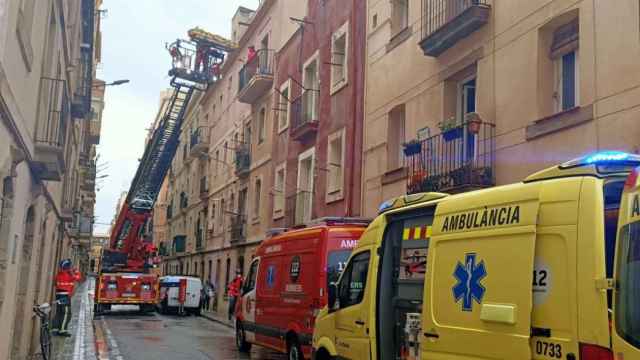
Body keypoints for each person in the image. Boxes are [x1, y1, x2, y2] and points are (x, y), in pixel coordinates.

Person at [51, 259, 81, 337]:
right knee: (66, 313)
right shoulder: (69, 275)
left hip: (58, 294)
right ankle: (62, 330)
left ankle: (56, 329)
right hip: (65, 296)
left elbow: (55, 283)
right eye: (70, 266)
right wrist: (76, 270)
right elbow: (78, 278)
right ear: (67, 267)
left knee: (59, 312)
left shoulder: (59, 274)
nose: (71, 267)